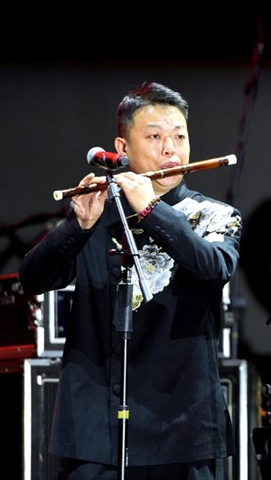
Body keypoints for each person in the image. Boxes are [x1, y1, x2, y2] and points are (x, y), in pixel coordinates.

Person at [18, 82, 242, 479]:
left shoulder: (216, 216)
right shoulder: (99, 212)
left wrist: (152, 210)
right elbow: (33, 278)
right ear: (122, 149)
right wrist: (76, 227)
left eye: (179, 136)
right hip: (96, 425)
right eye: (154, 136)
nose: (170, 149)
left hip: (182, 422)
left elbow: (213, 269)